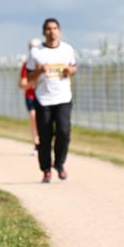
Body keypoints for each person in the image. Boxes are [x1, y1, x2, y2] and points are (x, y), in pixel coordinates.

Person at [26, 18, 77, 183]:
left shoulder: (67, 49)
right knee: (45, 136)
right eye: (48, 29)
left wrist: (70, 71)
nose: (52, 32)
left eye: (55, 28)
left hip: (63, 97)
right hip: (43, 99)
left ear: (59, 31)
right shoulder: (36, 52)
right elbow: (29, 77)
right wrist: (40, 71)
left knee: (64, 131)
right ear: (43, 32)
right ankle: (46, 169)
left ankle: (59, 164)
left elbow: (74, 67)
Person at [20, 38, 42, 153]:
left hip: (44, 96)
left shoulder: (45, 63)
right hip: (31, 96)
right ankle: (36, 144)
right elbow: (23, 83)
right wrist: (33, 82)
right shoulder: (26, 65)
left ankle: (46, 142)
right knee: (34, 117)